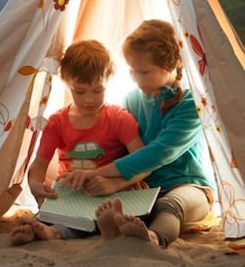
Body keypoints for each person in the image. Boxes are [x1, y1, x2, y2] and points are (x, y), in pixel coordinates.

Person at [61, 20, 215, 248]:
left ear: (171, 66)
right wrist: (125, 182)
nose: (135, 77)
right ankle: (85, 231)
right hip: (145, 188)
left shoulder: (191, 104)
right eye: (131, 70)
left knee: (170, 206)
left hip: (189, 186)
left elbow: (158, 153)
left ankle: (153, 237)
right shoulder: (132, 99)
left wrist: (112, 179)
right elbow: (123, 148)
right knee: (111, 205)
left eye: (144, 71)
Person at [11, 39, 144, 245]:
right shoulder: (57, 122)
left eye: (97, 90)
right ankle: (49, 232)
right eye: (79, 91)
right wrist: (36, 185)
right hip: (73, 195)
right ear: (66, 82)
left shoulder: (119, 118)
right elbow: (38, 166)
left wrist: (121, 183)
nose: (89, 100)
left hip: (109, 192)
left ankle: (60, 230)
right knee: (64, 219)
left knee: (119, 213)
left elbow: (143, 161)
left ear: (108, 82)